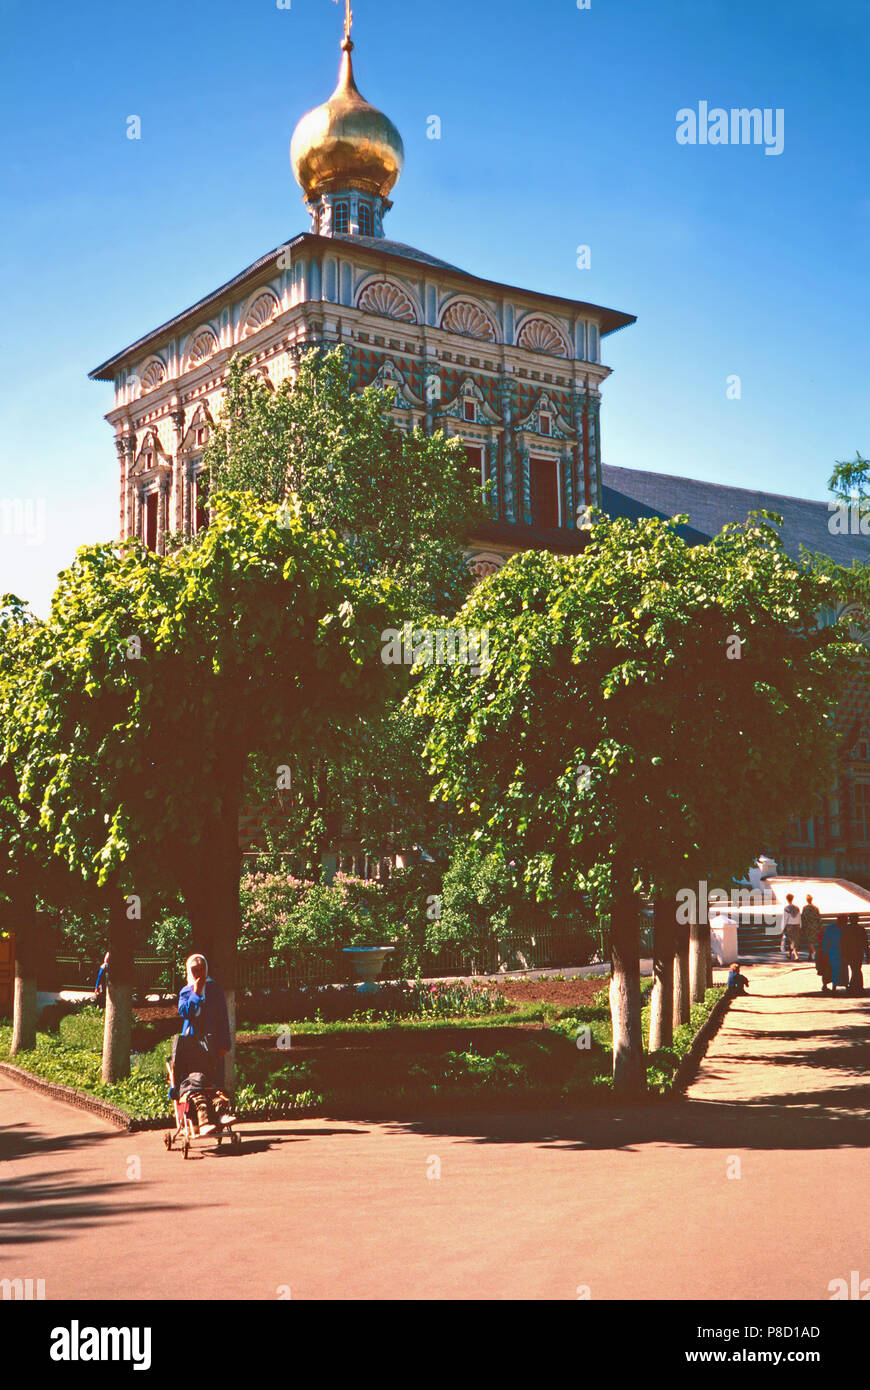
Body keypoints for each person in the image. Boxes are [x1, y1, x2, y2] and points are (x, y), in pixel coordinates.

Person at [177, 954, 236, 1126]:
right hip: (192, 1044)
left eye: (201, 970)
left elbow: (223, 1018)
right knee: (195, 1080)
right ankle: (198, 1118)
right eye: (194, 971)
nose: (198, 974)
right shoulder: (186, 991)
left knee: (215, 1079)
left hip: (214, 1042)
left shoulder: (215, 989)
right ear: (189, 971)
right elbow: (185, 1012)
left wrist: (225, 1044)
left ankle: (220, 1114)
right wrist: (195, 992)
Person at [819, 915, 847, 994]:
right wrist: (825, 952)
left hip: (835, 950)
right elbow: (826, 941)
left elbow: (826, 941)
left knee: (838, 969)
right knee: (835, 968)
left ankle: (839, 985)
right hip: (835, 950)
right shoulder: (839, 928)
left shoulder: (833, 928)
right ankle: (834, 986)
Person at [841, 914, 868, 997]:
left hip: (849, 952)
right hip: (858, 952)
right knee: (857, 969)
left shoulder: (846, 929)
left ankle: (854, 986)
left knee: (855, 969)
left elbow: (843, 942)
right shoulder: (861, 929)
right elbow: (865, 943)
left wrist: (843, 953)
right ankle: (857, 986)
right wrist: (867, 954)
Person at [801, 895, 821, 963]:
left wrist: (802, 927)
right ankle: (809, 955)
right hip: (815, 926)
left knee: (810, 941)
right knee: (811, 941)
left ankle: (814, 953)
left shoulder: (805, 908)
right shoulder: (816, 908)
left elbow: (803, 918)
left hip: (808, 926)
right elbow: (819, 918)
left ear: (807, 900)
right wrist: (819, 926)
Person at [782, 894, 801, 961]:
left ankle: (796, 956)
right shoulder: (797, 908)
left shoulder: (786, 908)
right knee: (793, 940)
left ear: (787, 899)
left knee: (792, 941)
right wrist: (800, 925)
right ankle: (789, 954)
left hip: (790, 926)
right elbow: (799, 917)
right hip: (797, 925)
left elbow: (785, 919)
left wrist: (782, 928)